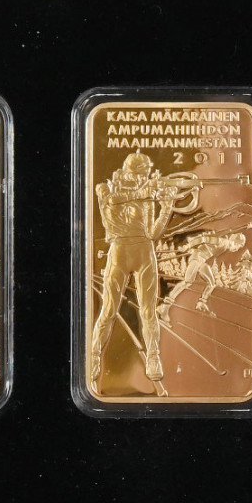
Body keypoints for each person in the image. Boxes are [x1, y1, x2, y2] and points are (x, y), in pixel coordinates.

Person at [87, 153, 203, 395]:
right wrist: (146, 192)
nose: (144, 177)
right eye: (141, 173)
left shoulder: (147, 195)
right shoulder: (106, 188)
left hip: (144, 252)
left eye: (145, 174)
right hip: (119, 251)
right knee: (108, 310)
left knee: (148, 312)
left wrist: (166, 207)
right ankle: (95, 355)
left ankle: (153, 356)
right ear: (130, 172)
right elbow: (111, 210)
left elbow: (153, 234)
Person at [158, 228, 248, 324]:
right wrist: (187, 246)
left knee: (212, 283)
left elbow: (209, 242)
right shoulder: (223, 242)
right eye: (238, 246)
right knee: (187, 282)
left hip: (201, 260)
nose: (237, 249)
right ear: (235, 242)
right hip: (197, 259)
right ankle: (164, 307)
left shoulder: (225, 244)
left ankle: (201, 303)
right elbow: (204, 239)